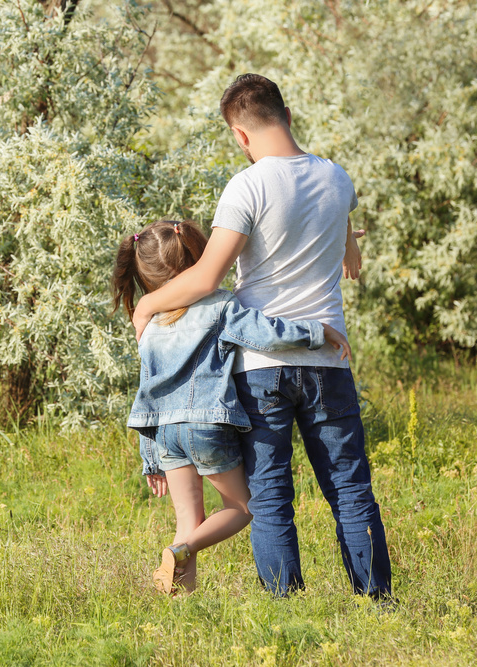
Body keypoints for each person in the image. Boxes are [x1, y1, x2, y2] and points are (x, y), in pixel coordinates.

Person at [131, 74, 393, 598]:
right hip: (327, 356)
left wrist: (148, 302)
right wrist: (343, 242)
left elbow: (207, 279)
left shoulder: (246, 187)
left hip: (260, 365)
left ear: (239, 135)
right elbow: (351, 260)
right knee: (350, 489)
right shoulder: (337, 179)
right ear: (288, 115)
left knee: (270, 496)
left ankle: (285, 603)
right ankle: (378, 600)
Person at [112, 219, 351, 595]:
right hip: (206, 426)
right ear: (200, 257)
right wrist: (317, 331)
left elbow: (149, 391)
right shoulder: (219, 305)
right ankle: (180, 550)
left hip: (165, 432)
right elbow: (266, 333)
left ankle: (180, 604)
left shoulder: (149, 322)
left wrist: (150, 455)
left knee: (188, 519)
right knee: (244, 508)